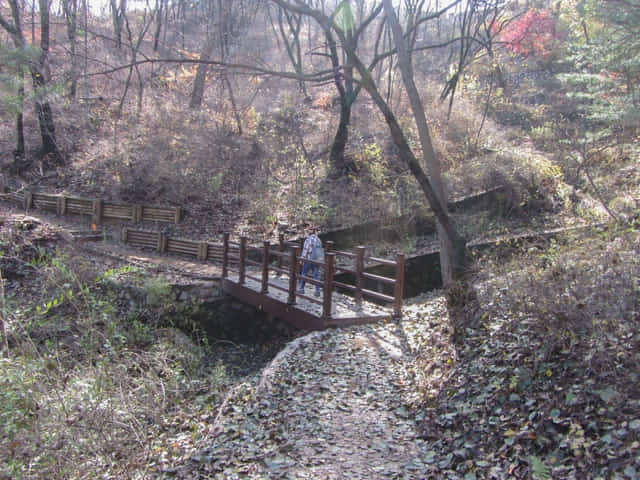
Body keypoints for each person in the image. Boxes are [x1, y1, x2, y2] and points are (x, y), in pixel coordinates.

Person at [297, 226, 323, 296]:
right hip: (316, 260)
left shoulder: (308, 239)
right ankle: (317, 291)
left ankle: (301, 289)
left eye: (309, 230)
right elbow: (320, 251)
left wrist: (302, 258)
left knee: (304, 273)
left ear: (312, 231)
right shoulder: (319, 240)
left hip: (308, 259)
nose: (308, 231)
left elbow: (305, 250)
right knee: (316, 275)